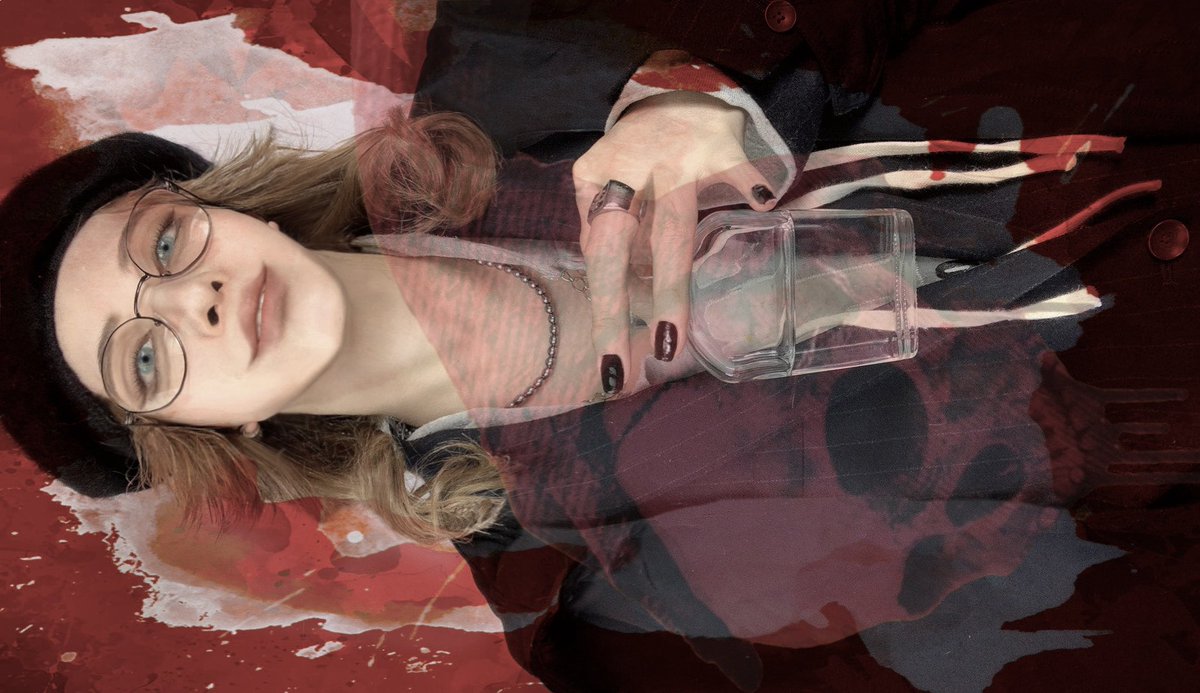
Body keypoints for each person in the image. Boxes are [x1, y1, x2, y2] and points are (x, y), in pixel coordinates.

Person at [4, 2, 1199, 692]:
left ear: (218, 206)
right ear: (205, 436)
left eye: (164, 245)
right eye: (146, 358)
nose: (197, 302)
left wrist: (704, 90)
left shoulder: (514, 46)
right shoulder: (594, 610)